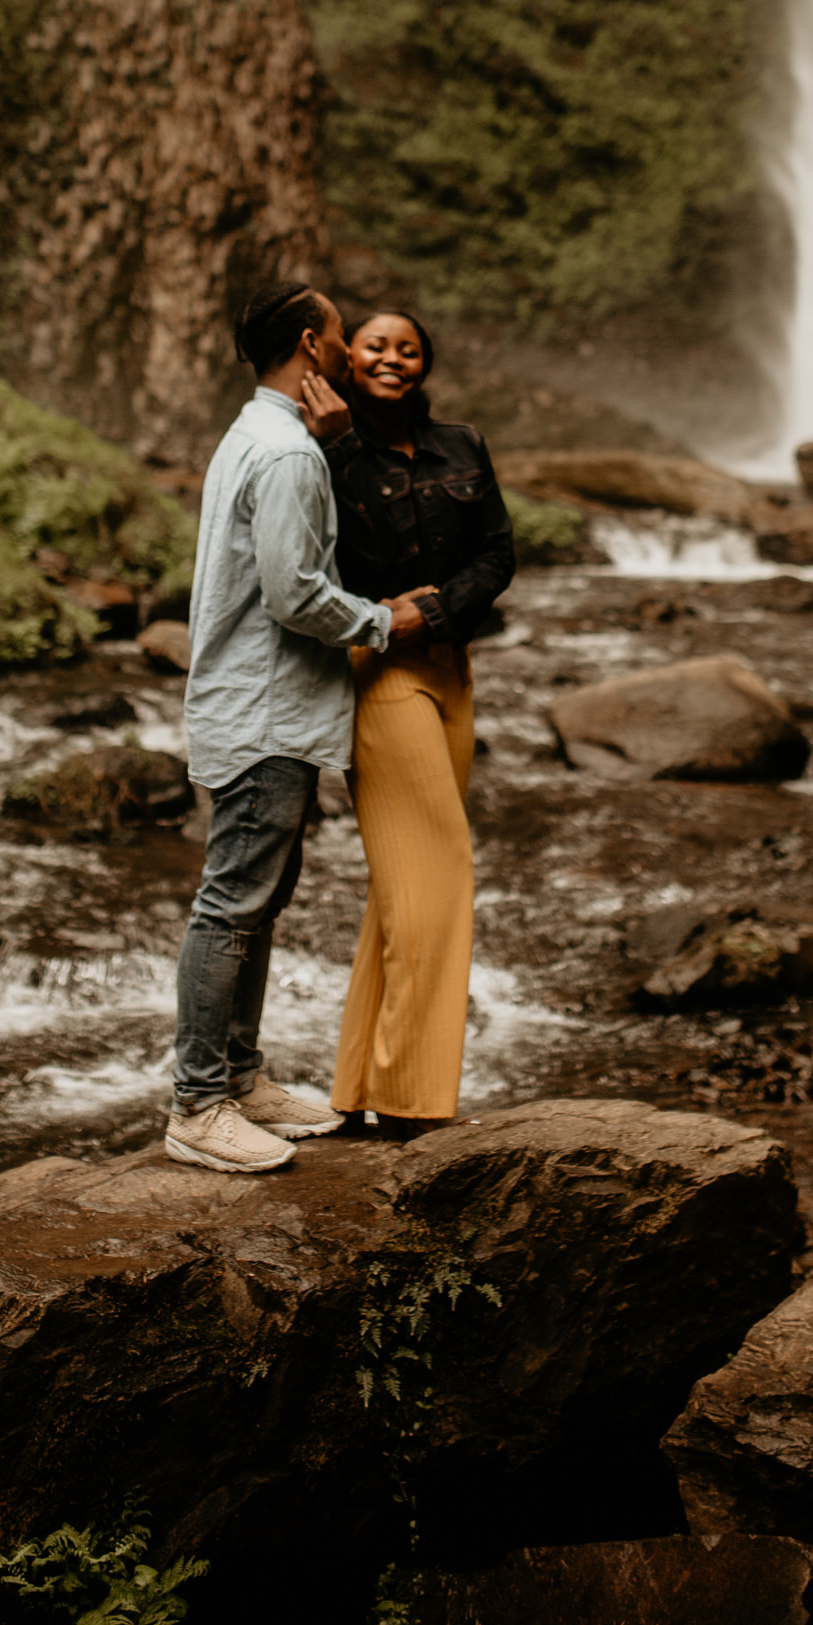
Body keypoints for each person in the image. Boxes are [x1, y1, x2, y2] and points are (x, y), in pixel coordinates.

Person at [169, 282, 433, 1174]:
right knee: (232, 904)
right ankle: (198, 1103)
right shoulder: (287, 455)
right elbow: (292, 593)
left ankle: (239, 1078)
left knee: (257, 902)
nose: (355, 349)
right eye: (342, 337)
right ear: (315, 347)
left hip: (259, 705)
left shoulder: (264, 435)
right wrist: (380, 622)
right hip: (266, 710)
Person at [304, 308, 515, 1139]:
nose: (393, 357)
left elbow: (497, 553)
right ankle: (410, 1102)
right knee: (441, 872)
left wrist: (435, 610)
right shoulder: (323, 451)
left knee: (404, 888)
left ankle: (362, 1080)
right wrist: (334, 443)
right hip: (377, 673)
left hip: (451, 670)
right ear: (345, 357)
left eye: (410, 347)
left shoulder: (461, 444)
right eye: (376, 345)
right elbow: (316, 553)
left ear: (425, 363)